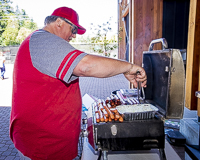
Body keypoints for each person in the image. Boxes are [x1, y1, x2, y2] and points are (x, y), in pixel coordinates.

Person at [10, 6, 147, 160]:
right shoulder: (43, 39)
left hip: (50, 143)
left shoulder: (44, 41)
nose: (74, 36)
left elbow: (85, 60)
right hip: (43, 146)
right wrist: (128, 67)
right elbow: (86, 65)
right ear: (59, 22)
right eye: (73, 29)